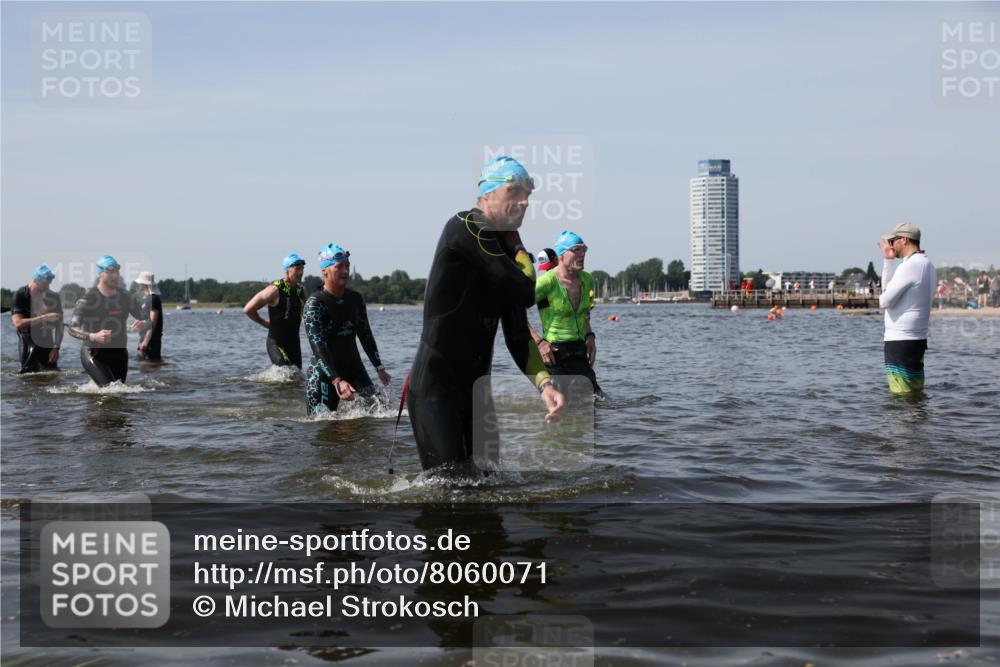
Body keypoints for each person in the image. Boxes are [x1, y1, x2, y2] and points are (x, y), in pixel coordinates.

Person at [407, 156, 565, 471]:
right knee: (452, 490)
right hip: (436, 391)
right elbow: (524, 291)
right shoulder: (466, 225)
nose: (524, 202)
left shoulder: (504, 256)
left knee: (488, 486)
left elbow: (518, 335)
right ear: (488, 194)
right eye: (515, 191)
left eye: (528, 195)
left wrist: (545, 385)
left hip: (477, 394)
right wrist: (520, 247)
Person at [303, 244, 390, 415]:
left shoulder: (355, 299)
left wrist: (379, 367)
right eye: (339, 267)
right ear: (324, 271)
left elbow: (365, 334)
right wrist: (337, 380)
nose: (345, 271)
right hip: (324, 375)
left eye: (347, 266)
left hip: (355, 368)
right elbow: (318, 347)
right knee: (324, 429)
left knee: (381, 414)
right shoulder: (315, 304)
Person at [530, 230, 603, 397]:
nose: (582, 254)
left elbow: (584, 313)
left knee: (597, 402)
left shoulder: (587, 279)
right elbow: (514, 310)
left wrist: (590, 336)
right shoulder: (546, 282)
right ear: (562, 254)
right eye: (577, 249)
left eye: (584, 249)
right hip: (555, 354)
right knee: (563, 407)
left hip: (579, 351)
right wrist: (539, 343)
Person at [66, 255, 146, 386]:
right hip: (94, 353)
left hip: (119, 354)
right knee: (110, 389)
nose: (115, 275)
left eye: (117, 271)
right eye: (111, 272)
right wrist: (94, 336)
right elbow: (72, 329)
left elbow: (146, 318)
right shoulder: (88, 298)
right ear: (100, 274)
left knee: (120, 394)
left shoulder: (126, 296)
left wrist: (144, 323)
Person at [878, 223, 935, 395]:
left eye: (892, 240)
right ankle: (919, 421)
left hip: (900, 339)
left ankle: (903, 422)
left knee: (901, 395)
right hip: (917, 338)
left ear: (903, 240)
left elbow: (884, 299)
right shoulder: (928, 264)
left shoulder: (909, 266)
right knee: (915, 391)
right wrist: (888, 261)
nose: (890, 245)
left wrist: (888, 264)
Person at [243, 253, 306, 368]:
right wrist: (263, 322)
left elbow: (303, 315)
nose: (301, 272)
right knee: (285, 375)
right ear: (287, 270)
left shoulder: (301, 291)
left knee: (297, 379)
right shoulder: (274, 290)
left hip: (294, 344)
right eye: (297, 269)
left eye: (302, 269)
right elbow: (248, 309)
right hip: (277, 343)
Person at [11, 264, 63, 373]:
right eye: (46, 282)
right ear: (35, 280)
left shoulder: (53, 297)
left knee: (53, 376)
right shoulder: (21, 295)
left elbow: (60, 326)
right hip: (28, 342)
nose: (49, 285)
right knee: (28, 377)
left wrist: (56, 348)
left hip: (48, 343)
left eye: (50, 281)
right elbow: (18, 323)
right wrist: (44, 317)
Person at [134, 272, 163, 361]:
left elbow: (152, 322)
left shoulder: (153, 299)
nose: (138, 285)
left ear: (144, 284)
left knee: (150, 367)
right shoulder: (148, 298)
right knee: (146, 368)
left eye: (140, 283)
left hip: (151, 341)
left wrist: (146, 342)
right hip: (146, 339)